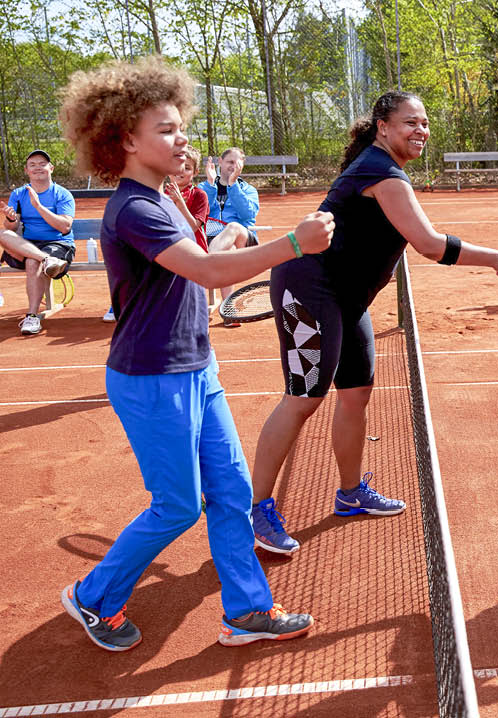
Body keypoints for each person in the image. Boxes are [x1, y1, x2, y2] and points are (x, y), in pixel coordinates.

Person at [57, 56, 332, 651]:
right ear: (124, 139)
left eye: (182, 127)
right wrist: (292, 244)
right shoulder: (131, 208)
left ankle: (247, 610)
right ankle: (92, 596)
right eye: (165, 129)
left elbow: (202, 249)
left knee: (231, 491)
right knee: (177, 506)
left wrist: (188, 196)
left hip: (196, 368)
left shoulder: (162, 199)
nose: (181, 137)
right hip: (151, 377)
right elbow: (207, 271)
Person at [247, 91, 498, 555]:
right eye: (409, 123)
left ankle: (351, 492)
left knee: (356, 393)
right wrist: (495, 257)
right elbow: (430, 246)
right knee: (303, 398)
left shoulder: (383, 169)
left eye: (424, 123)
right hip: (310, 290)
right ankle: (256, 510)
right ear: (382, 127)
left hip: (346, 299)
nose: (420, 131)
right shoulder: (382, 172)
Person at [104, 145, 209, 322]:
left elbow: (192, 227)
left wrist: (180, 204)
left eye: (188, 168)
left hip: (193, 251)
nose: (181, 171)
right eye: (178, 165)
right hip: (164, 251)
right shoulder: (157, 194)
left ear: (196, 172)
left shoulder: (199, 195)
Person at [0, 150, 75, 335]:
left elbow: (64, 227)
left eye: (42, 163)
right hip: (29, 245)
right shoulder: (18, 194)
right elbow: (11, 229)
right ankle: (46, 259)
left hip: (59, 244)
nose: (37, 167)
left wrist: (38, 207)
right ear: (27, 170)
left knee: (33, 262)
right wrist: (10, 219)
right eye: (32, 165)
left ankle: (32, 317)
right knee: (2, 234)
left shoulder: (62, 194)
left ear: (51, 168)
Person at [200, 147, 260, 311]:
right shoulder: (204, 187)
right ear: (220, 162)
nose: (233, 166)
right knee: (227, 250)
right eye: (229, 162)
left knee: (233, 227)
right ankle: (229, 309)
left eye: (237, 162)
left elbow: (247, 214)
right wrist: (211, 185)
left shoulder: (248, 190)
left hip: (244, 239)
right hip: (214, 241)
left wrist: (233, 186)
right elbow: (201, 211)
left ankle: (209, 261)